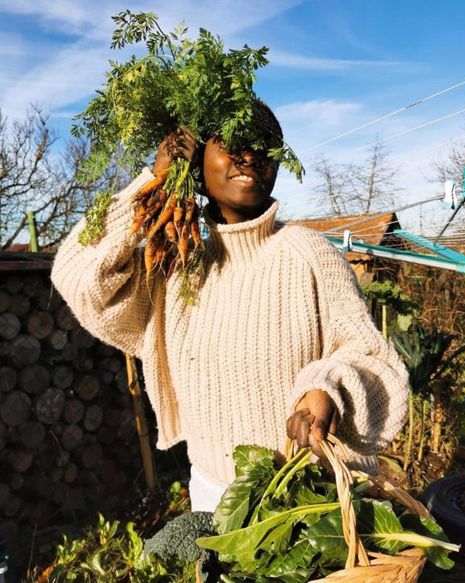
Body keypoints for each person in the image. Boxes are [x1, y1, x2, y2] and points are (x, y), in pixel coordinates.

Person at [51, 105, 409, 512]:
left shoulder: (309, 254)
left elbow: (372, 359)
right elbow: (77, 274)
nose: (251, 156)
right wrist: (152, 181)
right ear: (197, 160)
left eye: (263, 147)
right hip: (211, 496)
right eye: (233, 144)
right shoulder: (176, 272)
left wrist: (323, 388)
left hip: (311, 498)